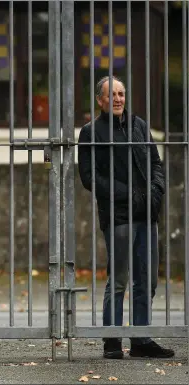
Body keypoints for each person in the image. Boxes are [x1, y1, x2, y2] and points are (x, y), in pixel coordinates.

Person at [77, 76, 174, 359]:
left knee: (147, 279)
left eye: (121, 94)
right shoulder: (91, 131)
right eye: (112, 95)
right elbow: (89, 176)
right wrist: (126, 194)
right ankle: (112, 341)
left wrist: (156, 191)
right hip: (118, 215)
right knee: (119, 279)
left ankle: (141, 339)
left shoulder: (138, 125)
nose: (118, 99)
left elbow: (155, 163)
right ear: (100, 100)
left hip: (147, 213)